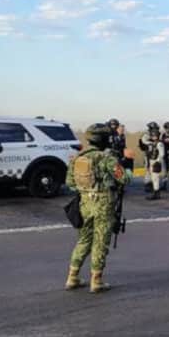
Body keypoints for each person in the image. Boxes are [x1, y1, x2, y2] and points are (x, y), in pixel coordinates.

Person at [64, 123, 132, 293]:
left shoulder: (78, 158)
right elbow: (125, 179)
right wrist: (128, 162)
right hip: (103, 204)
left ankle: (72, 277)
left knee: (84, 240)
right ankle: (96, 281)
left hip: (84, 204)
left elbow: (70, 183)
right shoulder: (106, 158)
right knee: (100, 241)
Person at [144, 126, 165, 200]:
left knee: (155, 178)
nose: (153, 137)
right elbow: (144, 141)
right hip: (151, 161)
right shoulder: (153, 143)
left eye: (155, 136)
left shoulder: (159, 144)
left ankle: (156, 193)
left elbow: (162, 154)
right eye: (152, 136)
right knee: (153, 178)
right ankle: (155, 192)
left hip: (156, 161)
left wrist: (158, 161)